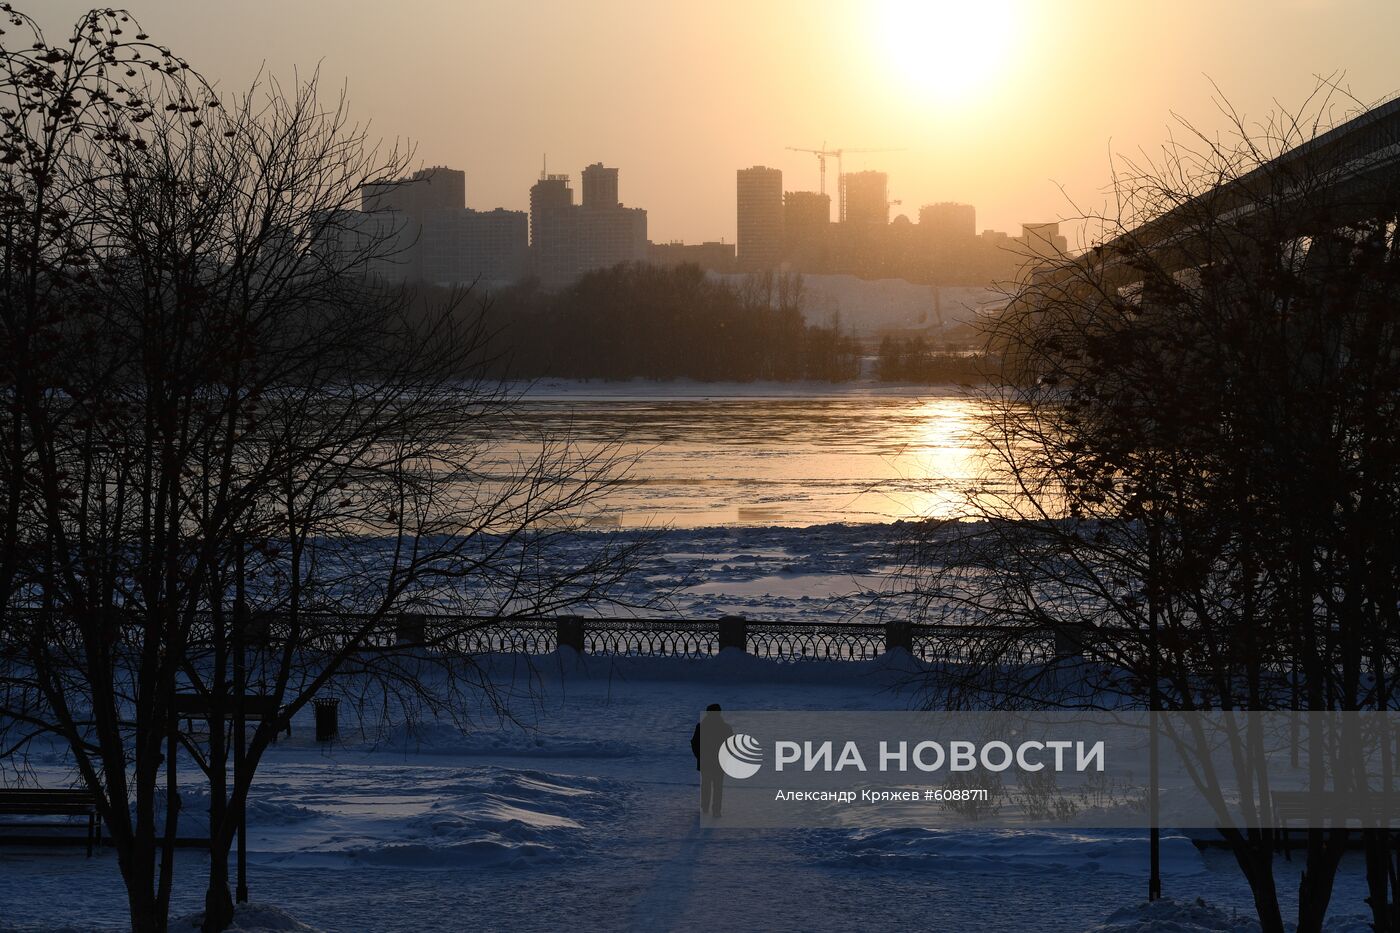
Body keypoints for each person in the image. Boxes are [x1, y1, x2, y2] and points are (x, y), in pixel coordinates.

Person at [691, 703, 733, 817]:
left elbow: (694, 743)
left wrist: (699, 756)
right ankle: (716, 810)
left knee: (706, 785)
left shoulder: (701, 726)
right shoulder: (726, 727)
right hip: (719, 762)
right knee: (718, 787)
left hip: (706, 761)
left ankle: (705, 807)